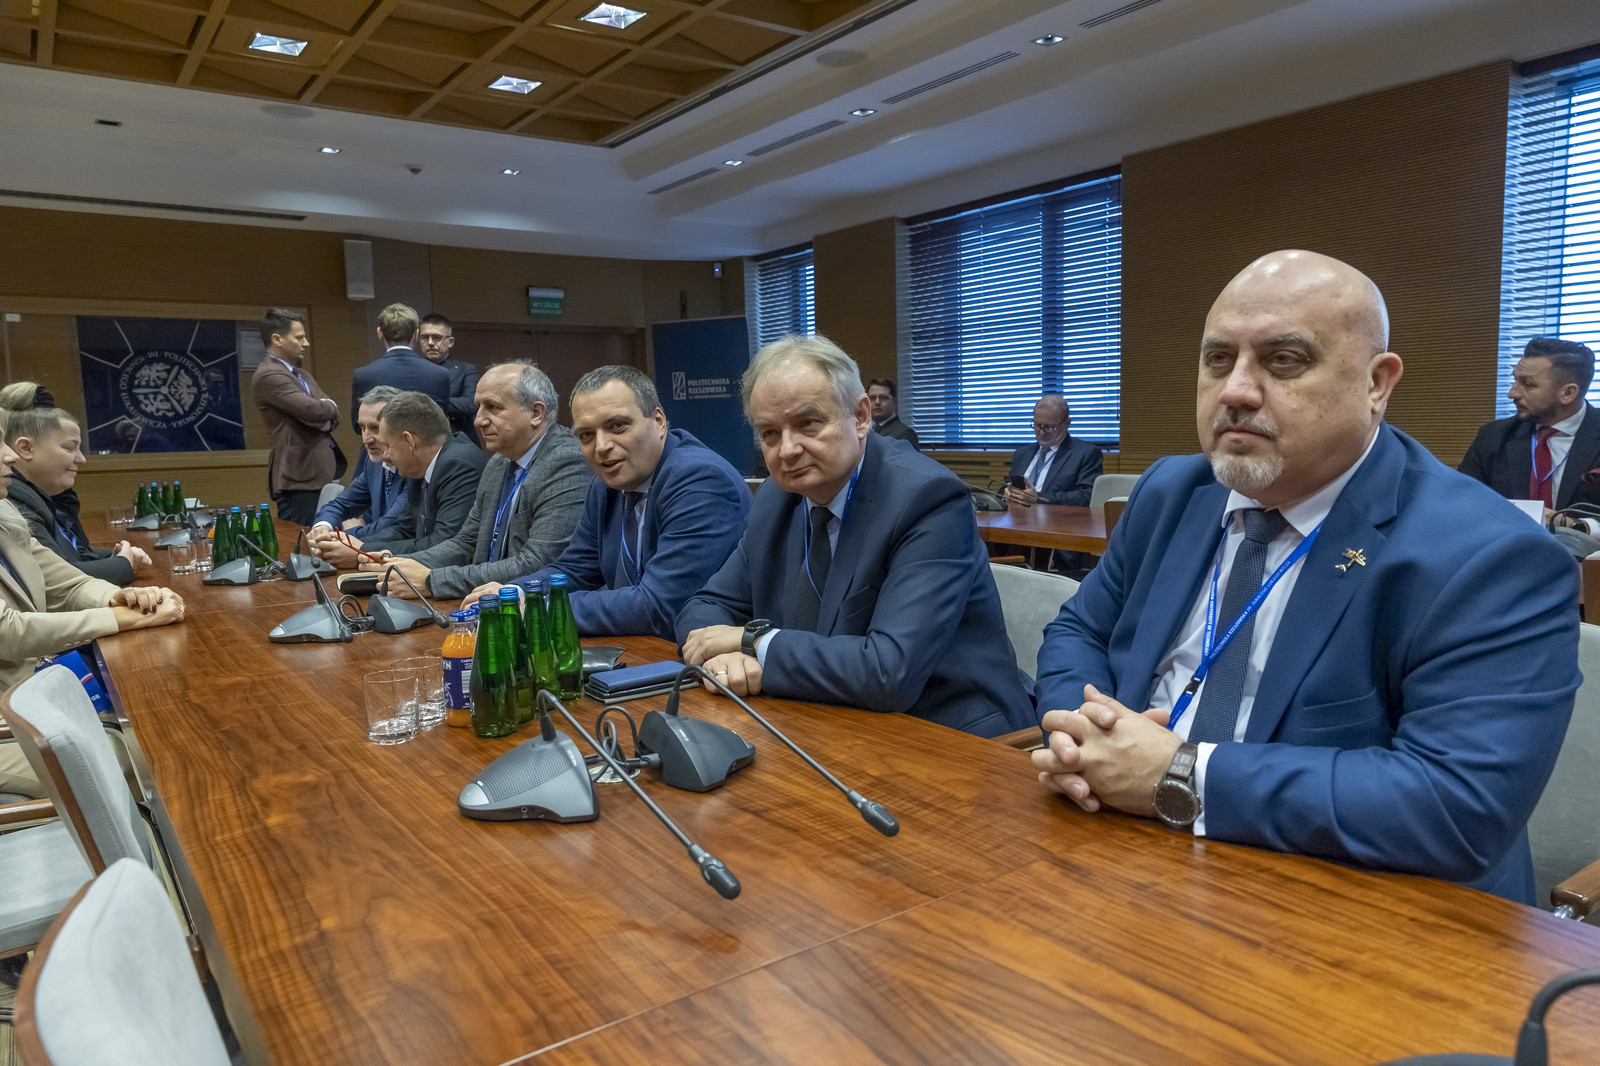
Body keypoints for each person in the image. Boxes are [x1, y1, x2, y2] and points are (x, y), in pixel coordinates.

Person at [1031, 250, 1578, 904]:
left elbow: (1458, 805)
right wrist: (1085, 738)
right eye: (1217, 360)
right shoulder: (1170, 492)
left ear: (1377, 383)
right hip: (1123, 853)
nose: (1235, 391)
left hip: (1362, 903)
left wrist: (1178, 775)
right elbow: (1078, 632)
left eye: (1283, 360)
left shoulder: (1493, 556)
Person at [676, 335, 1035, 738]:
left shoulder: (927, 499)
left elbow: (889, 671)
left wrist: (752, 643)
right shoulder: (778, 498)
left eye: (808, 423)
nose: (787, 450)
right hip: (826, 717)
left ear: (861, 416)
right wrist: (725, 660)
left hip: (948, 732)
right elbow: (705, 605)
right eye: (770, 433)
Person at [464, 365, 749, 640]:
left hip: (697, 659)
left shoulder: (700, 480)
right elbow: (574, 569)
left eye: (618, 426)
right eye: (587, 435)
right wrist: (515, 593)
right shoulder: (606, 485)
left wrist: (540, 608)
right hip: (638, 648)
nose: (601, 447)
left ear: (659, 421)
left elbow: (659, 607)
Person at [0, 409, 185, 799]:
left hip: (29, 699)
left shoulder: (5, 512)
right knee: (149, 751)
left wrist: (122, 598)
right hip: (11, 718)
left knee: (155, 721)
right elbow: (7, 631)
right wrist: (120, 618)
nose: (9, 456)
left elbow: (66, 582)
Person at [359, 363, 589, 599]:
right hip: (482, 602)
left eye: (493, 407)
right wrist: (396, 565)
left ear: (536, 413)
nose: (478, 420)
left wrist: (431, 581)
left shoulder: (566, 461)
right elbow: (466, 542)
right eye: (478, 407)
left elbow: (536, 563)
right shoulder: (498, 462)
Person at [0, 383, 148, 585]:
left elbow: (73, 553)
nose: (81, 459)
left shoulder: (54, 496)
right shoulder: (13, 498)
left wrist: (118, 556)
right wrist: (123, 564)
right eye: (70, 448)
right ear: (25, 448)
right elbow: (55, 580)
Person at [314, 390, 485, 564]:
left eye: (388, 446)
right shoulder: (420, 466)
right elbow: (404, 529)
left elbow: (442, 546)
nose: (385, 455)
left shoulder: (458, 465)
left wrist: (362, 552)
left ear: (409, 442)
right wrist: (350, 545)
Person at [1458, 337, 1600, 519]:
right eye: (1515, 380)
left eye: (1528, 384)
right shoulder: (1493, 436)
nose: (1512, 393)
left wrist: (1576, 526)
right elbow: (1461, 501)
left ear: (1568, 393)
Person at [251, 308, 344, 526]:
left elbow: (331, 411)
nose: (306, 343)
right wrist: (325, 408)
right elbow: (313, 410)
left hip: (317, 475)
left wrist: (326, 409)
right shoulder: (269, 375)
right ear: (277, 339)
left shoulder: (301, 374)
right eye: (299, 337)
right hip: (298, 478)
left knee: (325, 536)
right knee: (301, 541)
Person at [307, 386, 411, 543]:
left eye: (375, 428)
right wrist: (323, 526)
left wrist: (337, 537)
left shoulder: (415, 468)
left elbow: (390, 524)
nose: (366, 439)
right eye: (363, 427)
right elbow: (341, 504)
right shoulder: (374, 464)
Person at [349, 302, 452, 416]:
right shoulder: (440, 374)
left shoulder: (363, 375)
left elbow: (358, 423)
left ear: (379, 333)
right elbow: (442, 423)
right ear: (416, 334)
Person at [1004, 395, 1103, 506]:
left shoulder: (1085, 454)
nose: (1042, 433)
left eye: (1049, 427)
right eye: (1037, 425)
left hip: (1055, 516)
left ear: (1067, 424)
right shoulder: (1022, 454)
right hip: (1017, 514)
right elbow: (1004, 489)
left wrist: (1038, 498)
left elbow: (1087, 496)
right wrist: (1006, 494)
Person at [419, 314, 481, 443]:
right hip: (421, 440)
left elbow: (471, 404)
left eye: (437, 338)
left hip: (459, 440)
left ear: (450, 342)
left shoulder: (466, 370)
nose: (430, 343)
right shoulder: (414, 370)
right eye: (425, 337)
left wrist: (427, 401)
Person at [867, 378, 920, 450]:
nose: (877, 402)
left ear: (894, 402)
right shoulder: (864, 431)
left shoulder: (906, 434)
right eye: (872, 398)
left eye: (883, 398)